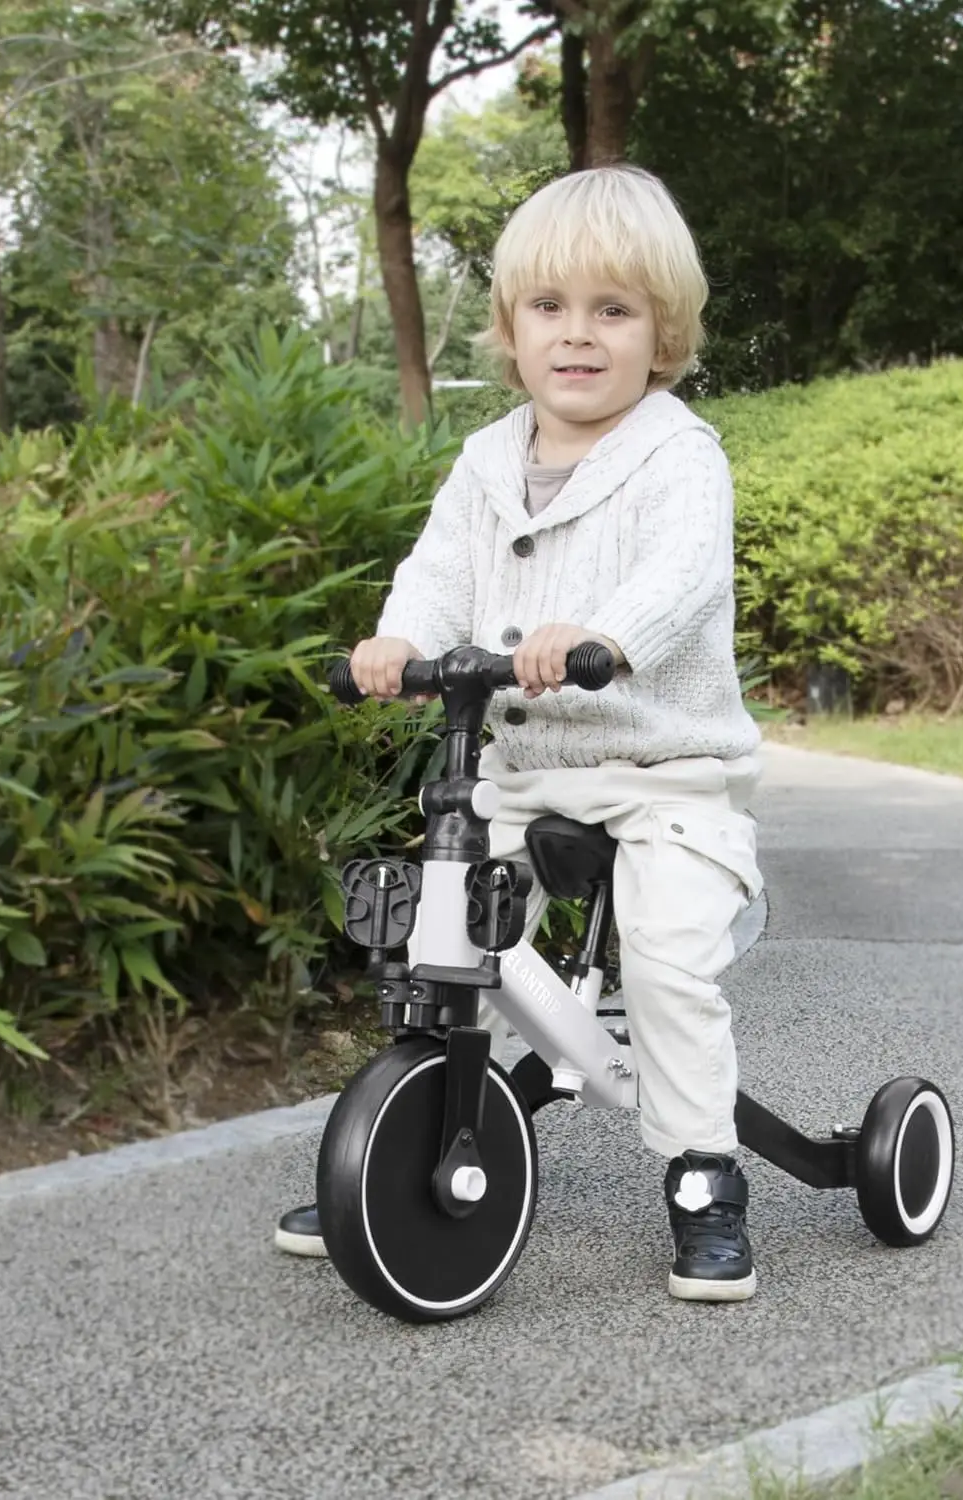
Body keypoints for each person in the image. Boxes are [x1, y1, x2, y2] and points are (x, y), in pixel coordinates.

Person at [274, 164, 765, 1302]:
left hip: (665, 774)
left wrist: (602, 632)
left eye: (614, 310)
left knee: (667, 965)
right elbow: (438, 571)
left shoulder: (679, 453)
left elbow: (682, 577)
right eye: (550, 308)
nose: (579, 337)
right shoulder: (489, 460)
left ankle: (704, 1178)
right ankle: (424, 1142)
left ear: (665, 332)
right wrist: (395, 645)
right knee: (454, 948)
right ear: (509, 328)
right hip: (526, 772)